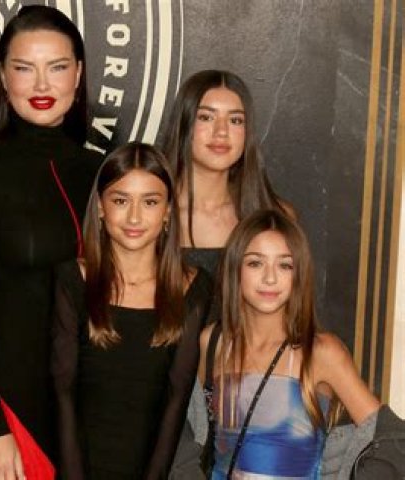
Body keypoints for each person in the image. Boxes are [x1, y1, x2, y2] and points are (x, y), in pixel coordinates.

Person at [0, 5, 102, 478]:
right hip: (10, 414)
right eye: (24, 68)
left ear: (78, 74)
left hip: (89, 409)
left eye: (56, 67)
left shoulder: (102, 171)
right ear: (3, 76)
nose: (41, 85)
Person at [195, 209, 405, 479]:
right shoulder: (213, 342)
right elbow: (193, 433)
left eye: (285, 265)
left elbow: (391, 438)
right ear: (234, 268)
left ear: (300, 273)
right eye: (255, 263)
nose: (270, 278)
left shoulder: (321, 352)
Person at [51, 142, 213, 479]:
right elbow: (64, 395)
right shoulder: (72, 279)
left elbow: (176, 398)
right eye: (121, 200)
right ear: (100, 207)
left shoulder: (192, 289)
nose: (135, 217)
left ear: (168, 211)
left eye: (150, 202)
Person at [162, 70, 290, 280]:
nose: (221, 131)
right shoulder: (150, 214)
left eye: (235, 120)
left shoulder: (276, 215)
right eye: (206, 117)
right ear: (184, 125)